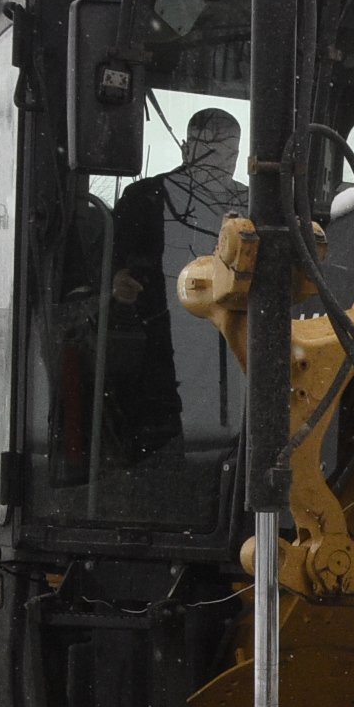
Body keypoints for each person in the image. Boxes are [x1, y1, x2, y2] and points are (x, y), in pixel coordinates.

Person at [107, 108, 249, 461]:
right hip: (163, 348)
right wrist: (116, 283)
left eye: (230, 154)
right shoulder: (143, 200)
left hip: (241, 348)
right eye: (211, 152)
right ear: (186, 148)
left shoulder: (257, 206)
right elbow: (108, 265)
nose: (222, 164)